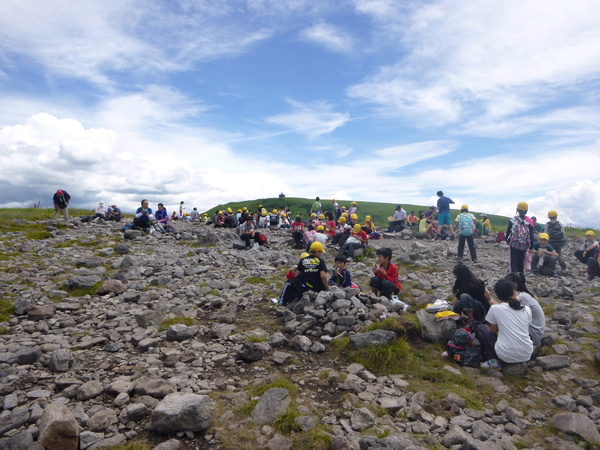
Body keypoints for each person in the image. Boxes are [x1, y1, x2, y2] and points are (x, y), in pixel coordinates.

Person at [482, 279, 533, 370]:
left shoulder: (494, 308)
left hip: (505, 354)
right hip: (526, 354)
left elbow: (493, 331)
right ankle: (521, 362)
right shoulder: (526, 309)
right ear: (514, 292)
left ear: (498, 295)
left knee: (482, 329)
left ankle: (493, 360)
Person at [505, 273, 545, 354]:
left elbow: (517, 316)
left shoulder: (522, 297)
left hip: (533, 334)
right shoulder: (523, 294)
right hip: (534, 330)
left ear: (515, 285)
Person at [506, 201, 535, 274]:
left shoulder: (513, 220)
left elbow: (509, 231)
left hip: (514, 243)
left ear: (517, 210)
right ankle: (521, 278)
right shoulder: (529, 221)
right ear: (526, 211)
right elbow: (531, 234)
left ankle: (515, 278)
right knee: (520, 261)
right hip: (524, 245)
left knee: (513, 262)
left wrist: (507, 240)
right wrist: (531, 246)